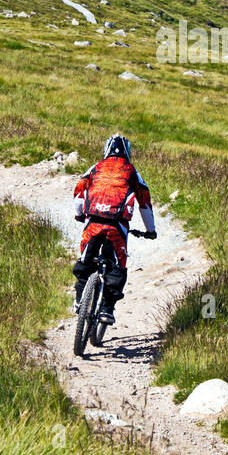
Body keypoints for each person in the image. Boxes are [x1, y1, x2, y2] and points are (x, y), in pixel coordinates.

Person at [72, 134, 156, 325]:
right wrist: (150, 230)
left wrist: (78, 215)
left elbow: (79, 193)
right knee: (117, 266)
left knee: (85, 261)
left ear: (106, 150)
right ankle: (107, 309)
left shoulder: (95, 168)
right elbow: (145, 203)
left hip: (93, 220)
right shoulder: (132, 171)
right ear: (128, 152)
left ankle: (79, 299)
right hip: (117, 225)